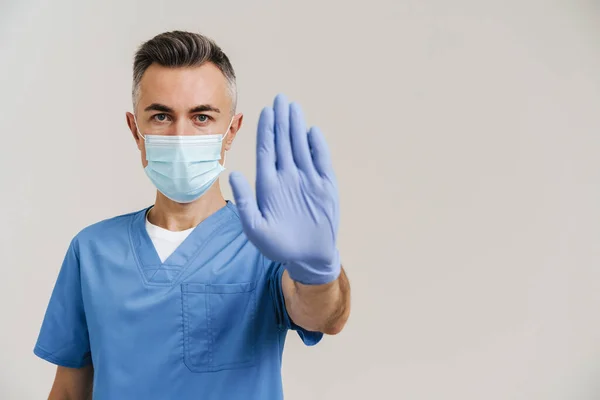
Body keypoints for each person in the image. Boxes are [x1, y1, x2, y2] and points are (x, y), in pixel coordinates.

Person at [33, 30, 351, 400]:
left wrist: (317, 270)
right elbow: (70, 392)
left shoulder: (265, 245)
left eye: (201, 117)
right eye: (161, 116)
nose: (181, 135)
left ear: (231, 131)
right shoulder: (91, 251)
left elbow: (324, 317)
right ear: (136, 131)